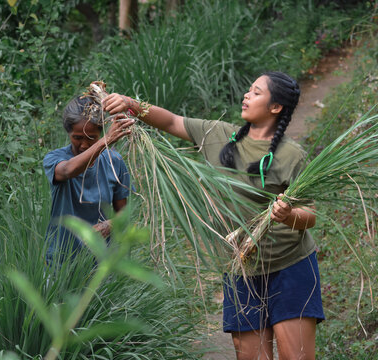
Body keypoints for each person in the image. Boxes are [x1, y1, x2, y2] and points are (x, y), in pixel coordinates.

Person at [103, 71, 324, 360]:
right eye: (248, 89)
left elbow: (310, 215)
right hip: (241, 268)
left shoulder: (292, 155)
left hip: (290, 267)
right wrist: (129, 103)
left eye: (256, 92)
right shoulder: (217, 135)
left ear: (276, 107)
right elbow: (170, 121)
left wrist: (288, 214)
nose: (246, 95)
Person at [43, 94, 135, 264]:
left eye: (91, 137)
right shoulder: (55, 159)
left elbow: (123, 213)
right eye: (77, 138)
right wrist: (105, 141)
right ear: (68, 133)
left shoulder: (114, 162)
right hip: (60, 261)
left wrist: (110, 225)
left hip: (101, 262)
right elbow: (68, 170)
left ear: (99, 133)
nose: (84, 145)